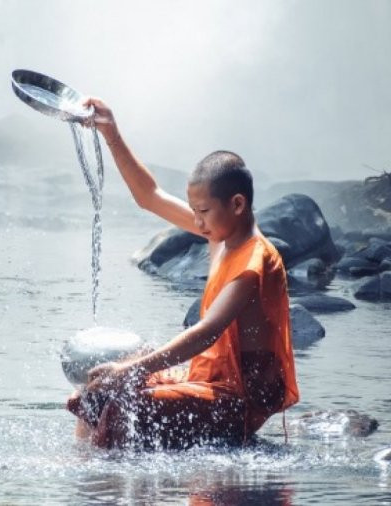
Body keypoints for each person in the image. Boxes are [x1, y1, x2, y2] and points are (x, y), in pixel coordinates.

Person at [66, 97, 299, 449]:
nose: (197, 222)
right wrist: (111, 132)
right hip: (201, 376)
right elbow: (150, 196)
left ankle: (107, 483)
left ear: (237, 205)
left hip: (235, 400)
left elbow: (206, 333)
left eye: (203, 211)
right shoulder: (219, 232)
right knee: (95, 391)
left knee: (121, 404)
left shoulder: (255, 260)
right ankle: (83, 473)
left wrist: (131, 370)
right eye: (194, 211)